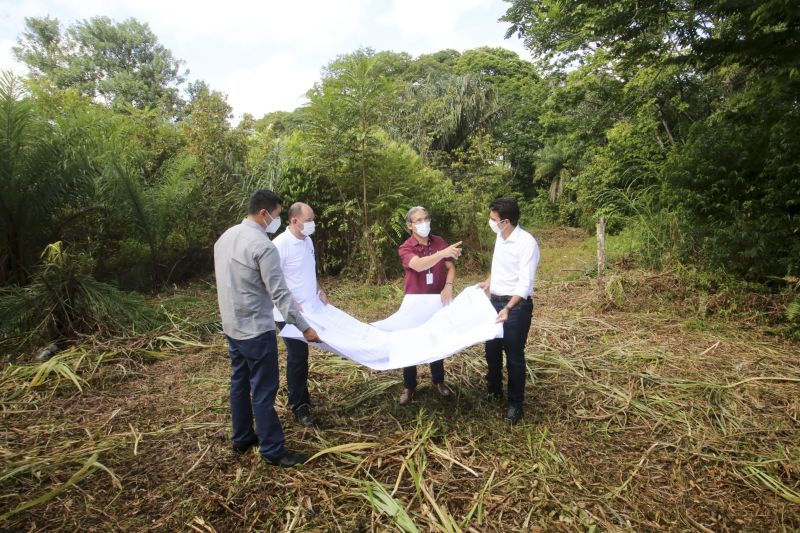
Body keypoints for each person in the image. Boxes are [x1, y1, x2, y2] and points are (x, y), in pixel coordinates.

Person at [214, 189, 321, 468]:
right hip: (255, 328)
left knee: (239, 382)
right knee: (264, 389)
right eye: (275, 215)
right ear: (264, 213)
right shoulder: (263, 245)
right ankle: (273, 450)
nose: (276, 220)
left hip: (232, 325)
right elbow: (280, 294)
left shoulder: (225, 237)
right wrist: (305, 328)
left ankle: (242, 437)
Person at [478, 197, 540, 424]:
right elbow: (500, 267)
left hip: (516, 307)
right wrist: (488, 282)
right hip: (494, 302)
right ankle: (494, 390)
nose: (490, 222)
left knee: (513, 356)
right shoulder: (500, 236)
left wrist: (508, 308)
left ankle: (515, 403)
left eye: (493, 219)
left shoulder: (526, 243)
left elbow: (525, 283)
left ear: (505, 221)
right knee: (491, 350)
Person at [397, 206, 463, 404]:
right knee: (410, 341)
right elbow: (418, 265)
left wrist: (448, 286)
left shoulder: (439, 241)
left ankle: (439, 381)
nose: (424, 223)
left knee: (436, 337)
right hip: (415, 301)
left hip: (437, 299)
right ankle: (409, 386)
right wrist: (442, 254)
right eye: (418, 220)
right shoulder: (406, 247)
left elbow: (450, 267)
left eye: (426, 218)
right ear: (410, 225)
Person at [272, 202, 329, 427]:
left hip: (310, 308)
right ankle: (298, 406)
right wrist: (291, 302)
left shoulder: (307, 240)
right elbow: (272, 280)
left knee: (303, 355)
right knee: (296, 357)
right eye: (308, 220)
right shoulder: (279, 245)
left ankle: (303, 397)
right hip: (287, 312)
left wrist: (318, 289)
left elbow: (308, 271)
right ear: (294, 221)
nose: (312, 224)